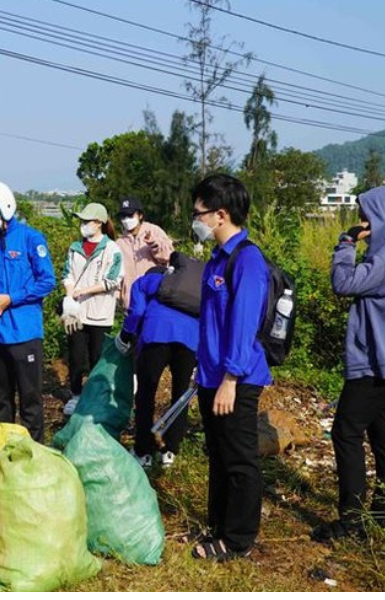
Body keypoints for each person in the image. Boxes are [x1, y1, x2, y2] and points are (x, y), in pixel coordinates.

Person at [311, 186, 385, 542]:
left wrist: (345, 243)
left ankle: (352, 523)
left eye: (367, 216)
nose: (363, 223)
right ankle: (384, 513)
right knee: (383, 436)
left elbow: (343, 283)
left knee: (346, 432)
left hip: (375, 363)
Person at [189, 174, 272, 561]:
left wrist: (230, 378)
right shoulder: (216, 259)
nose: (196, 220)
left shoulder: (248, 259)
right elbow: (211, 322)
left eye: (199, 213)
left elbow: (243, 323)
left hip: (235, 378)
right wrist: (202, 369)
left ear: (220, 214)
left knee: (239, 458)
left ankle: (237, 540)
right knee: (219, 454)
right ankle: (218, 527)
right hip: (212, 374)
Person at [0, 180, 56, 442]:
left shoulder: (31, 238)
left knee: (30, 400)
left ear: (5, 208)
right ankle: (3, 449)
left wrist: (12, 299)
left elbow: (47, 281)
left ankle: (34, 453)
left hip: (24, 333)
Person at [115, 252, 199, 469]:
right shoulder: (191, 290)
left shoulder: (145, 281)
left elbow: (137, 312)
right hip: (190, 340)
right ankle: (170, 451)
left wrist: (125, 336)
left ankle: (144, 451)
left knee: (146, 393)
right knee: (180, 395)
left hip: (156, 336)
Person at [59, 202, 123, 416]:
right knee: (76, 356)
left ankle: (96, 396)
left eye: (87, 221)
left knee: (97, 357)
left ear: (99, 223)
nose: (83, 225)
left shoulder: (112, 249)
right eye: (82, 221)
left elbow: (113, 280)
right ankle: (76, 394)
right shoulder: (75, 248)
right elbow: (67, 274)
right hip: (76, 312)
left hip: (99, 313)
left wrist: (85, 290)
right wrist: (69, 296)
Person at [115, 196, 174, 310]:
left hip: (155, 297)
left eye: (130, 215)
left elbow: (168, 257)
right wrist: (118, 296)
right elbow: (117, 273)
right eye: (123, 216)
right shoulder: (119, 243)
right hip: (131, 302)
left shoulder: (154, 231)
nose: (127, 220)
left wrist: (153, 243)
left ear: (140, 215)